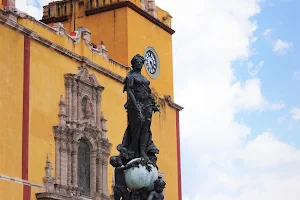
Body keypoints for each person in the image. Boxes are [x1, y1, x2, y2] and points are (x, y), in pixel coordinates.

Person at [119, 54, 159, 164]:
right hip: (136, 105)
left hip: (147, 104)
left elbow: (147, 92)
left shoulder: (143, 78)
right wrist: (136, 104)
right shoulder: (130, 76)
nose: (139, 64)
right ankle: (132, 150)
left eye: (141, 62)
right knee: (136, 128)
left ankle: (142, 151)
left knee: (146, 128)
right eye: (137, 62)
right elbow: (130, 91)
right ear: (133, 64)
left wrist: (153, 103)